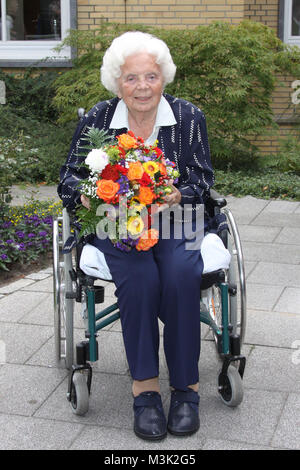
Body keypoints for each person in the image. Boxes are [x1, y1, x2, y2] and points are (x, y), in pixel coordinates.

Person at [58, 31, 225, 441]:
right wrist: (89, 194)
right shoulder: (98, 119)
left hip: (177, 217)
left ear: (163, 78)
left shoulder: (188, 117)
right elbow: (68, 178)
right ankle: (145, 389)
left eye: (150, 77)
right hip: (118, 220)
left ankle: (186, 389)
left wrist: (178, 193)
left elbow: (203, 178)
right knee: (140, 278)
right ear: (117, 81)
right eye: (131, 78)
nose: (142, 87)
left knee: (181, 275)